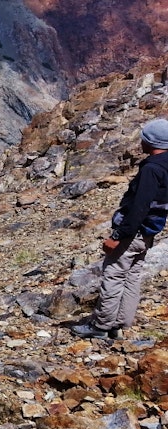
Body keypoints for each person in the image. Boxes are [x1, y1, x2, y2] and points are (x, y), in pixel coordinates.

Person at [72, 117, 168, 339]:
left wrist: (118, 235)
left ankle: (101, 326)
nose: (140, 142)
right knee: (132, 275)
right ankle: (120, 322)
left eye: (143, 138)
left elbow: (139, 207)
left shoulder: (151, 169)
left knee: (114, 274)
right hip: (149, 231)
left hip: (133, 233)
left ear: (152, 142)